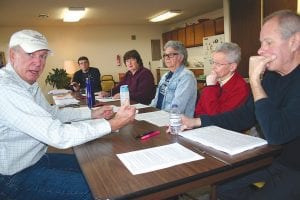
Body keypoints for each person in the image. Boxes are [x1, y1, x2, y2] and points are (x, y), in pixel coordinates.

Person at [0, 29, 136, 200]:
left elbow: (51, 113)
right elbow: (58, 135)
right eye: (30, 54)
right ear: (12, 55)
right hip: (13, 177)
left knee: (101, 167)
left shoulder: (28, 83)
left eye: (42, 56)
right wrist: (113, 124)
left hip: (37, 159)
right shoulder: (6, 88)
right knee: (102, 189)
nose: (38, 62)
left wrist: (92, 113)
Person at [180, 10, 300, 200]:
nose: (261, 50)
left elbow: (278, 133)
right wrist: (198, 122)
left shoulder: (269, 79)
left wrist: (255, 81)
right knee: (224, 187)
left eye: (268, 42)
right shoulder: (273, 78)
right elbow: (244, 115)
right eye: (261, 43)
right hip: (274, 159)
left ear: (294, 41)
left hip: (295, 168)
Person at [194, 42, 249, 116]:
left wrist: (210, 87)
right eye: (213, 62)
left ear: (232, 67)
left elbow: (217, 116)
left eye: (218, 64)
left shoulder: (240, 88)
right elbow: (199, 109)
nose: (213, 67)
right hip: (202, 124)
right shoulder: (217, 80)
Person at [150, 40, 197, 117]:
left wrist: (157, 116)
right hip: (159, 116)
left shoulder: (186, 77)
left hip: (176, 122)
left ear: (181, 57)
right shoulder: (165, 76)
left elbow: (177, 107)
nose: (166, 58)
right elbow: (156, 100)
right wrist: (148, 111)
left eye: (171, 55)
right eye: (165, 55)